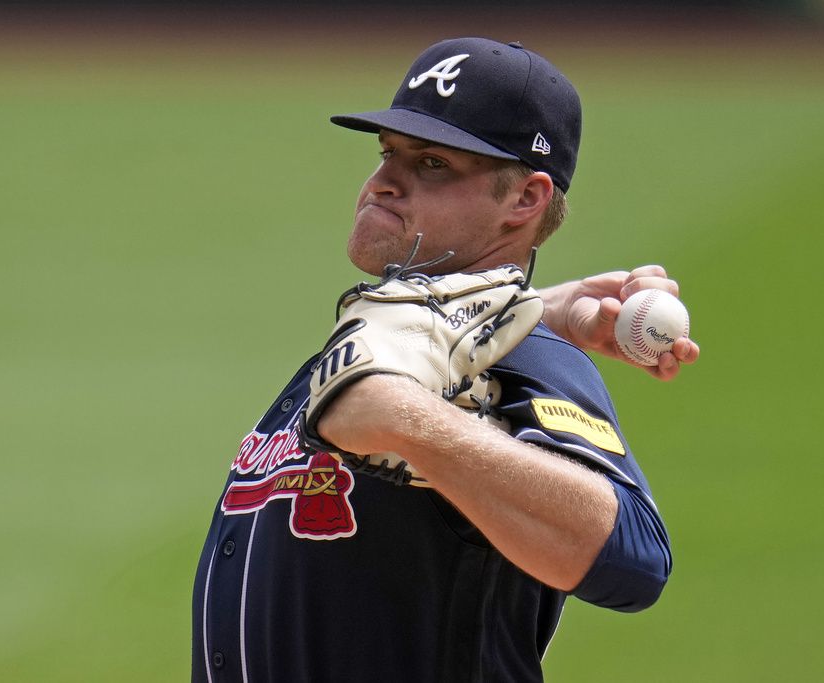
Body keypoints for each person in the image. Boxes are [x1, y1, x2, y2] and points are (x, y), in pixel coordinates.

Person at [192, 37, 699, 683]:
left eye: (431, 163)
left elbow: (634, 560)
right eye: (387, 153)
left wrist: (414, 424)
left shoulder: (521, 358)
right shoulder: (396, 338)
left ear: (525, 199)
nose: (384, 182)